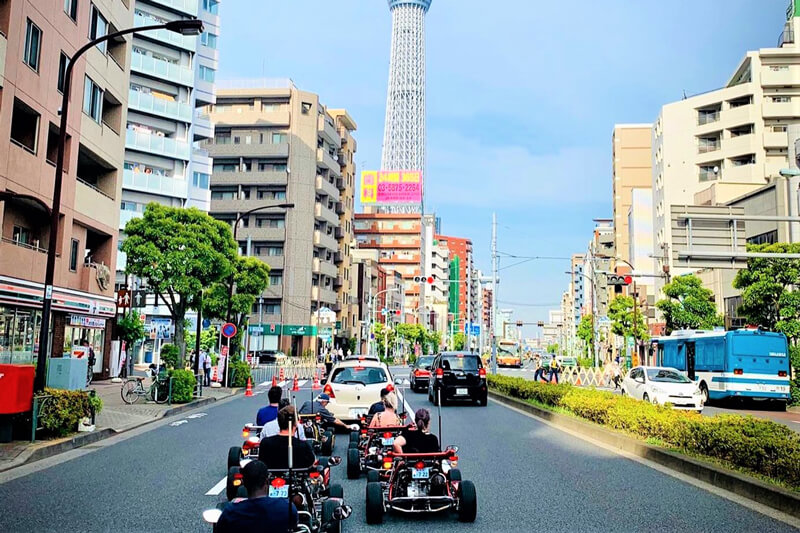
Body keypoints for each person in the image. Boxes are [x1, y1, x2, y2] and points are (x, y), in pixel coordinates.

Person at [216, 460, 298, 533]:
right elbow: (293, 525)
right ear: (267, 482)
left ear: (244, 483)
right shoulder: (286, 507)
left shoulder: (230, 512)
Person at [258, 406, 316, 470]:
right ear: (295, 424)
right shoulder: (303, 446)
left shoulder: (265, 443)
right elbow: (311, 463)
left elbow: (261, 463)